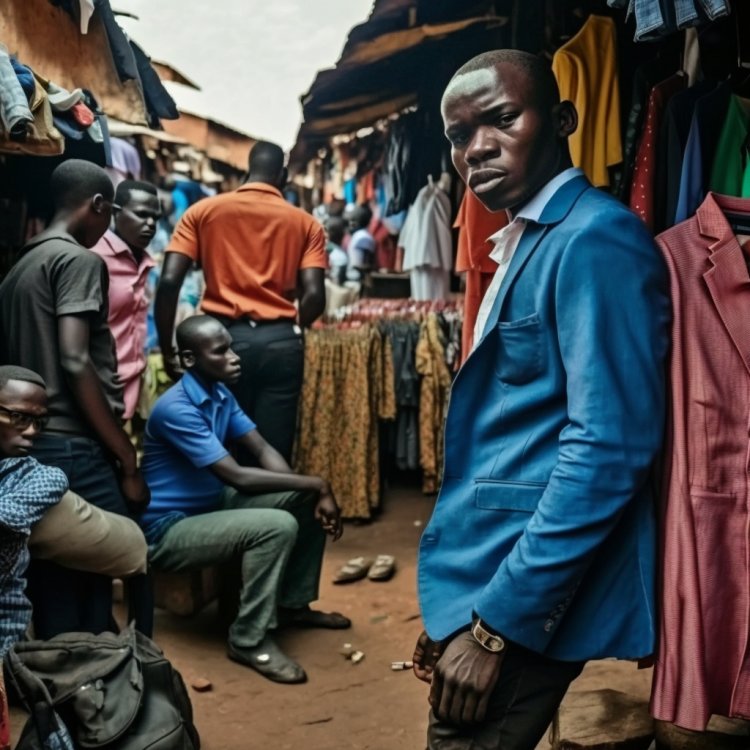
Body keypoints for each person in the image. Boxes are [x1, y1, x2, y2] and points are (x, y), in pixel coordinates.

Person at [412, 50, 670, 749]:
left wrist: (495, 626)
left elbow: (609, 449)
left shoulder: (595, 238)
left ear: (562, 120)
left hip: (530, 591)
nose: (477, 149)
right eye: (459, 135)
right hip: (494, 567)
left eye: (501, 119)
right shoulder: (528, 238)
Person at [141, 315, 349, 684]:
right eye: (221, 351)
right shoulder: (176, 408)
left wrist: (308, 490)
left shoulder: (221, 393)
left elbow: (261, 446)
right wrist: (318, 484)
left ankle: (291, 605)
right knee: (277, 524)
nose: (235, 357)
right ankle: (248, 638)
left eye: (231, 348)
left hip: (214, 505)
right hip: (169, 529)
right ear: (190, 360)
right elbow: (235, 475)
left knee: (299, 501)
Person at [0, 159, 150, 638]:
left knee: (60, 577)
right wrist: (126, 458)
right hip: (75, 442)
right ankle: (134, 674)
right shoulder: (79, 260)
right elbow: (73, 358)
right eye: (108, 218)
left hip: (34, 444)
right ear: (99, 205)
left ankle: (68, 691)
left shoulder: (19, 267)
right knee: (131, 554)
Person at [0, 364, 147, 745]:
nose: (32, 432)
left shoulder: (40, 477)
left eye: (39, 421)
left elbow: (6, 518)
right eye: (17, 417)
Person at [155, 141, 327, 463]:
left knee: (223, 448)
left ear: (248, 169)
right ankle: (275, 513)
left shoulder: (202, 212)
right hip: (280, 342)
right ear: (284, 176)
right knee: (273, 448)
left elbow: (168, 283)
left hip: (218, 342)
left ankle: (229, 512)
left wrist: (169, 349)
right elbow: (315, 295)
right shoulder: (306, 223)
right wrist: (292, 326)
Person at [89, 179, 159, 421]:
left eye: (155, 218)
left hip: (132, 383)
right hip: (100, 386)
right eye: (141, 215)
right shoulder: (94, 257)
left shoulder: (145, 261)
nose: (150, 224)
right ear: (115, 214)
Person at [345, 204, 376, 282]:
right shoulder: (362, 236)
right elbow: (363, 265)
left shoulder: (361, 236)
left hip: (357, 279)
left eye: (353, 220)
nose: (351, 224)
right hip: (356, 279)